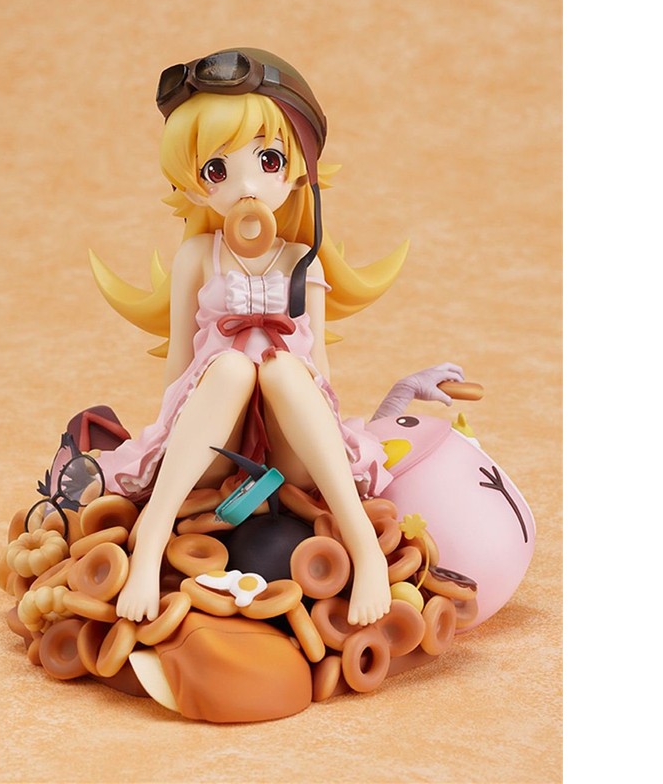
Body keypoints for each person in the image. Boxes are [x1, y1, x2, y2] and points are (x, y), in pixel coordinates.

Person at [88, 49, 463, 628]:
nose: (247, 187)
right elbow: (181, 366)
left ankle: (364, 546)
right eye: (218, 171)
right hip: (214, 443)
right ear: (193, 187)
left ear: (297, 171)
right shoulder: (198, 256)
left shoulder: (302, 262)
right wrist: (163, 438)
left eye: (268, 160)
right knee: (232, 368)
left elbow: (320, 370)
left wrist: (349, 427)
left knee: (285, 367)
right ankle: (151, 541)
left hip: (291, 448)